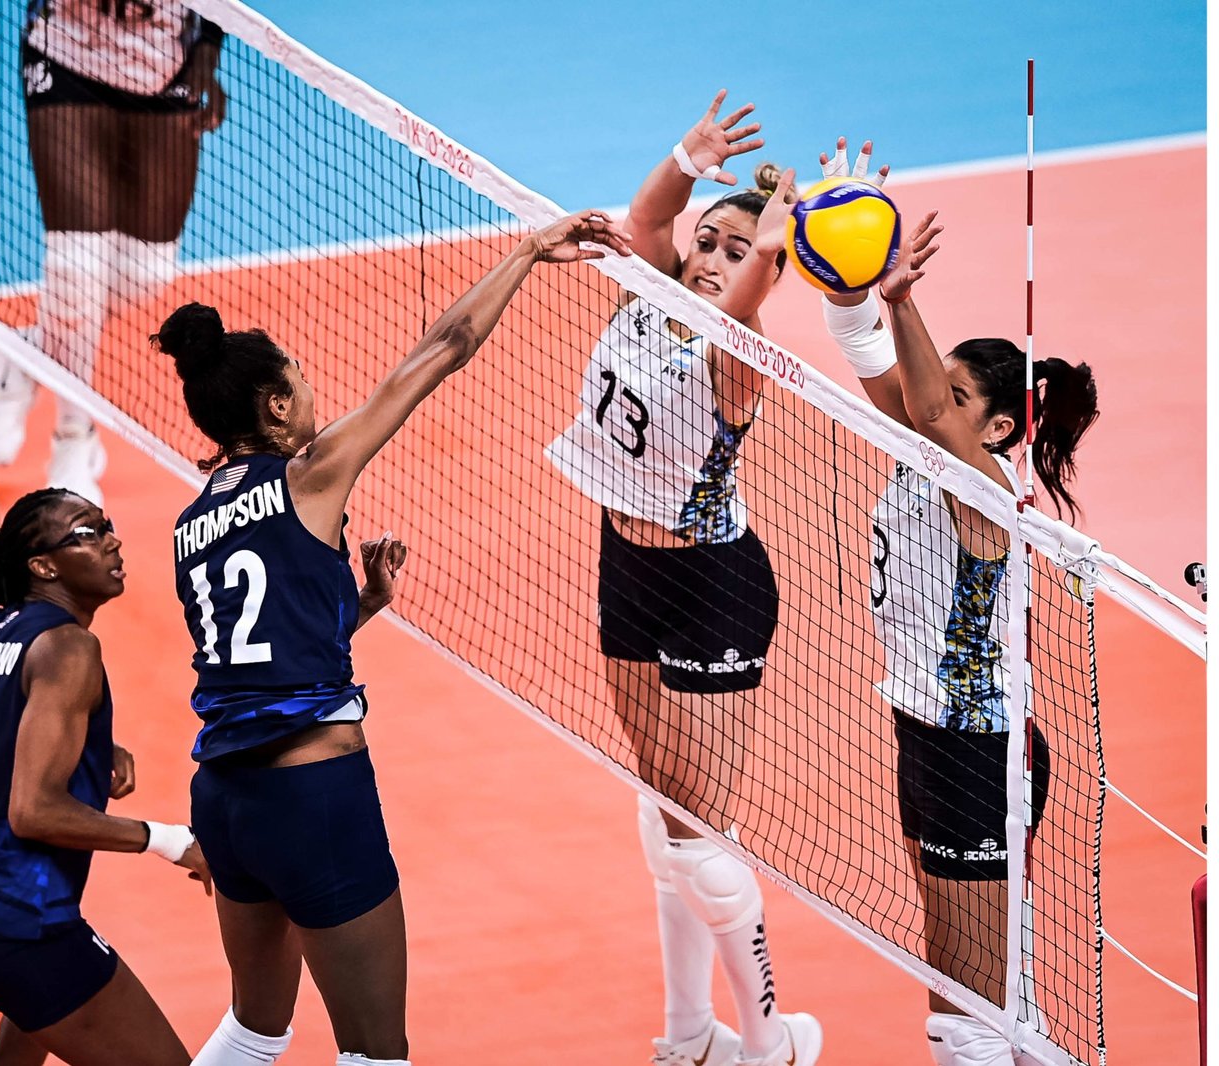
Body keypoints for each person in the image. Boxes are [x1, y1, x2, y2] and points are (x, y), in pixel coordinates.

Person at [155, 209, 631, 1066]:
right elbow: (440, 352)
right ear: (273, 405)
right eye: (298, 382)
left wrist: (359, 603)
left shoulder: (191, 523)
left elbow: (260, 645)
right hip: (314, 800)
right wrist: (525, 250)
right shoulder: (311, 470)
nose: (312, 393)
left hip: (224, 801)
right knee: (377, 1053)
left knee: (255, 1030)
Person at [544, 91, 820, 1066]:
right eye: (707, 243)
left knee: (701, 831)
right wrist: (687, 157)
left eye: (733, 252)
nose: (707, 258)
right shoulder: (652, 289)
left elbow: (747, 302)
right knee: (663, 814)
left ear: (766, 270)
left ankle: (766, 1042)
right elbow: (647, 221)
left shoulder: (738, 355)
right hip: (627, 567)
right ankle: (687, 1032)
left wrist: (777, 224)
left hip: (713, 591)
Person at [816, 138, 1097, 1065]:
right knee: (993, 992)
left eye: (962, 393)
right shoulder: (930, 449)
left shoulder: (982, 485)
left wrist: (905, 300)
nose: (937, 400)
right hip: (927, 735)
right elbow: (873, 360)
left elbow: (931, 411)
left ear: (1001, 425)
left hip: (982, 751)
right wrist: (853, 265)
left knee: (962, 1010)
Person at [0, 488, 212, 1066]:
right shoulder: (70, 647)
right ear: (43, 566)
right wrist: (172, 841)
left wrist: (90, 743)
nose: (112, 540)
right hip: (9, 924)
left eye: (106, 525)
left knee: (33, 1010)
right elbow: (33, 812)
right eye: (87, 534)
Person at [0, 0, 227, 505]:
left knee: (146, 273)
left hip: (164, 62)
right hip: (66, 59)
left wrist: (210, 47)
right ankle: (73, 440)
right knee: (76, 270)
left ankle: (26, 355)